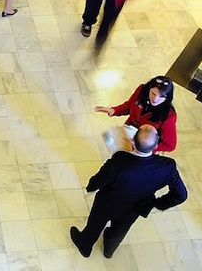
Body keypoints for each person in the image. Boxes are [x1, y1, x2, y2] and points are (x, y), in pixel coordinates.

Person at [69, 125, 188, 259]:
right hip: (135, 207)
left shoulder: (120, 160)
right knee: (120, 229)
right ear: (155, 146)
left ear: (132, 140)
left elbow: (100, 179)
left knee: (96, 223)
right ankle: (109, 249)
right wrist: (157, 203)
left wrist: (91, 186)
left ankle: (85, 245)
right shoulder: (167, 166)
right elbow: (181, 195)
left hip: (107, 203)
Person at [95, 76, 177, 152]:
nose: (155, 99)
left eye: (161, 96)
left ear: (167, 98)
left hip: (142, 148)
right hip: (127, 134)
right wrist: (114, 110)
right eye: (153, 93)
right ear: (149, 89)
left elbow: (170, 145)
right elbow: (129, 105)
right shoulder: (141, 91)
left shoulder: (169, 115)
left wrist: (146, 146)